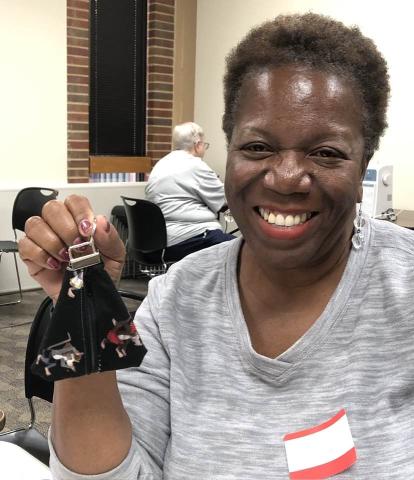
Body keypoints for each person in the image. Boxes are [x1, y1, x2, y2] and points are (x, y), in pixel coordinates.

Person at [18, 12, 414, 479]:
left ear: (364, 162)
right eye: (258, 148)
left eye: (326, 152)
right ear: (227, 148)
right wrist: (87, 306)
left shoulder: (403, 290)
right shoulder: (174, 299)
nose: (285, 178)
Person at [145, 121, 235, 261]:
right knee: (243, 250)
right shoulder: (196, 165)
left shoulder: (161, 163)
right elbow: (226, 200)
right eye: (205, 145)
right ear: (198, 144)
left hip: (161, 239)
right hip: (191, 237)